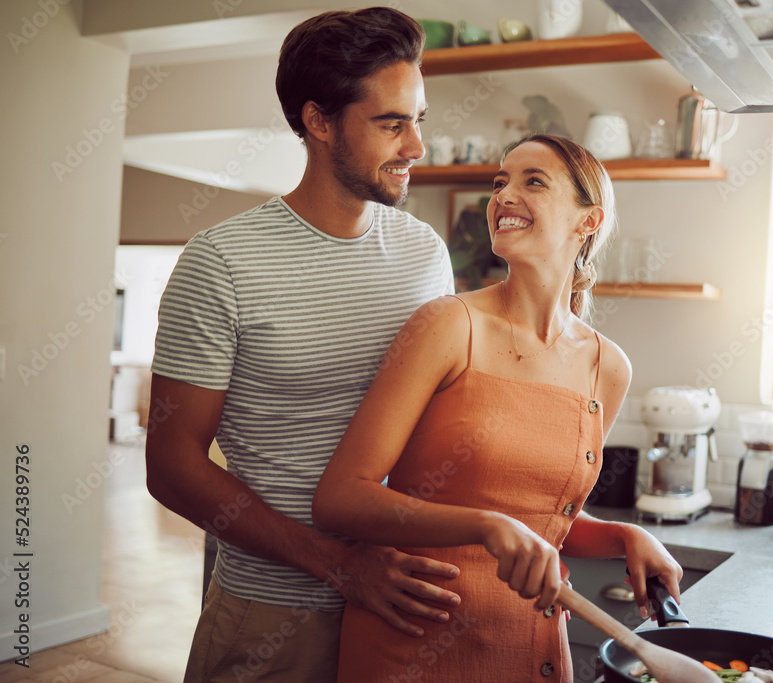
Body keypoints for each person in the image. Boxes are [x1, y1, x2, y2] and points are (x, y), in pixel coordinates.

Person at [145, 8, 463, 682]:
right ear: (318, 121)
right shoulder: (222, 262)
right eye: (391, 123)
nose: (417, 147)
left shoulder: (424, 254)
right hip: (273, 618)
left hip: (401, 609)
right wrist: (341, 564)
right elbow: (171, 466)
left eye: (419, 120)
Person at [313, 134, 695, 682]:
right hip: (416, 641)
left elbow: (547, 520)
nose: (502, 195)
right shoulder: (448, 325)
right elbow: (339, 498)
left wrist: (625, 537)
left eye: (532, 181)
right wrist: (485, 525)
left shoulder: (606, 368)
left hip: (531, 647)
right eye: (499, 182)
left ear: (588, 221)